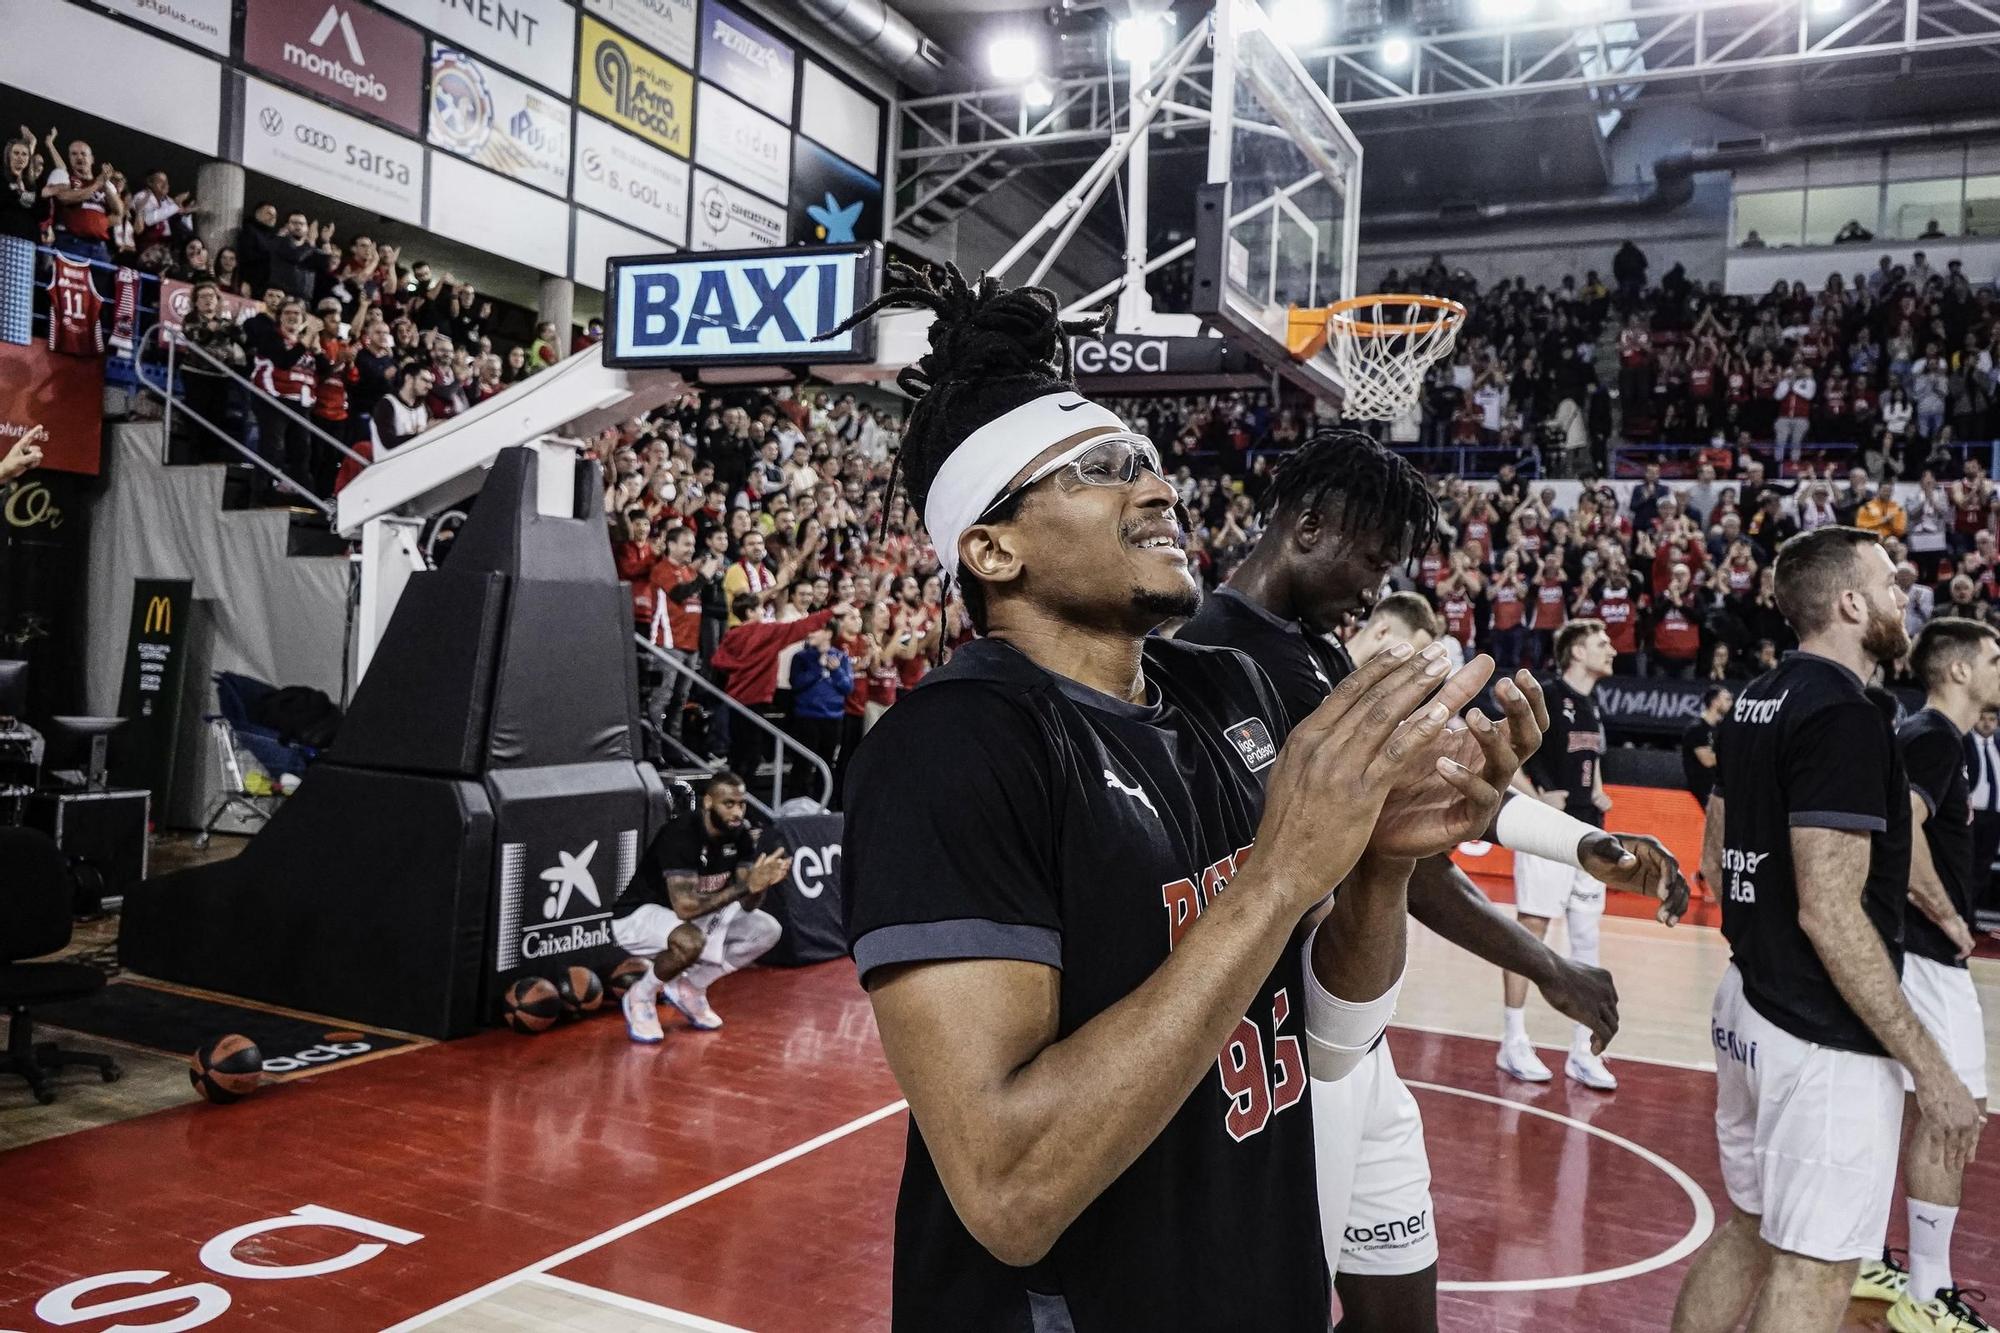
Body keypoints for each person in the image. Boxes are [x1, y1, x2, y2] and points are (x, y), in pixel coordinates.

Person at [839, 263, 1540, 1332]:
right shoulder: (954, 744)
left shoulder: (1227, 687)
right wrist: (1278, 877)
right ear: (991, 547)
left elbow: (1328, 1035)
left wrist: (1377, 866)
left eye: (1149, 463)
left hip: (1257, 1275)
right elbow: (1007, 1190)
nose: (1157, 487)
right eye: (1098, 471)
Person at [1175, 431, 1682, 1326]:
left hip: (1357, 1045)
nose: (1378, 588)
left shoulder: (1317, 657)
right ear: (1310, 522)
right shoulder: (1206, 660)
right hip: (1284, 1061)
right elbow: (1403, 865)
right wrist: (1548, 964)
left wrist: (1577, 845)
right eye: (1373, 560)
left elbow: (1416, 827)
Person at [1671, 526, 1981, 1333]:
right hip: (1818, 1036)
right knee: (1816, 1268)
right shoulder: (1843, 713)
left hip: (1746, 1003)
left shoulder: (1755, 698)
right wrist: (1932, 1068)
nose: (1901, 596)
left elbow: (1714, 851)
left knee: (1747, 1228)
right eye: (1887, 583)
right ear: (1849, 601)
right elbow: (1830, 907)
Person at [1844, 620, 1995, 1331]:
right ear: (1959, 671)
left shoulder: (1924, 734)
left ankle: (1874, 1256)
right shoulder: (1938, 737)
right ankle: (1929, 1293)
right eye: (1995, 657)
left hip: (1906, 954)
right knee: (1954, 1111)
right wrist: (1952, 918)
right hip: (1931, 959)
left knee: (1904, 1106)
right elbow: (1895, 836)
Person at [1498, 619, 1630, 1091]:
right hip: (1547, 835)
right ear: (1576, 651)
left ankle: (1583, 1051)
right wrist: (1534, 797)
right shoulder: (1549, 695)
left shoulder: (1593, 706)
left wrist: (1597, 793)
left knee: (1587, 944)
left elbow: (1587, 764)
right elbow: (1503, 752)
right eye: (1602, 643)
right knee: (1530, 935)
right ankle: (1513, 1040)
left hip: (1590, 837)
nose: (1612, 649)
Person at [610, 772, 787, 1041]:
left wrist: (759, 886)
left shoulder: (739, 836)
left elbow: (748, 905)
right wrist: (745, 886)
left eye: (741, 804)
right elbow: (686, 908)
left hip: (692, 915)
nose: (737, 812)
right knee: (691, 941)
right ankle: (641, 995)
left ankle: (691, 986)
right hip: (638, 916)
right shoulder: (681, 833)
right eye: (728, 804)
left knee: (766, 930)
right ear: (708, 802)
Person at [787, 620, 852, 776]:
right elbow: (796, 683)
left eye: (814, 630)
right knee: (802, 765)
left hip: (832, 719)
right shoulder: (800, 657)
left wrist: (836, 671)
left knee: (827, 766)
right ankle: (798, 799)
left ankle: (822, 799)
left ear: (829, 633)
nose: (810, 634)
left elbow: (847, 688)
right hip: (807, 717)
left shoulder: (841, 657)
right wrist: (818, 668)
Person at [1680, 684, 1732, 810]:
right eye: (1727, 699)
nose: (1731, 703)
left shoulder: (1721, 728)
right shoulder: (1697, 729)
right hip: (1705, 789)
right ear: (1715, 702)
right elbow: (1707, 760)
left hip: (1722, 787)